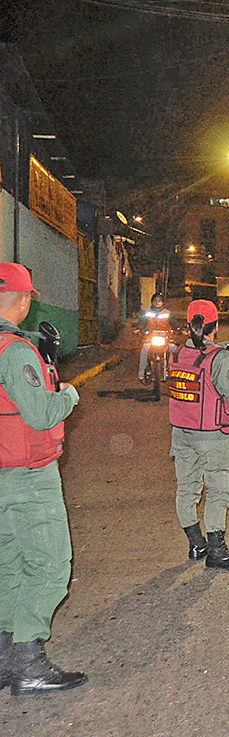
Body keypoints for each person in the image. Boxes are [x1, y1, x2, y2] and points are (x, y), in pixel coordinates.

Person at [0, 262, 87, 695]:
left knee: (10, 565)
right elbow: (40, 413)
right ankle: (29, 662)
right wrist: (66, 391)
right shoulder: (14, 351)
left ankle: (5, 659)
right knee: (51, 567)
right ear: (24, 299)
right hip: (27, 478)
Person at [166, 300, 229, 569]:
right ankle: (217, 552)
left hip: (182, 434)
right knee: (218, 491)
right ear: (216, 326)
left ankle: (196, 543)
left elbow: (207, 350)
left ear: (190, 326)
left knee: (187, 489)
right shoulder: (219, 359)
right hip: (211, 436)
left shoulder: (177, 354)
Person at [138, 292, 173, 383]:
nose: (157, 302)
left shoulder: (168, 313)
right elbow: (142, 323)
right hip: (150, 338)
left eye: (159, 301)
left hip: (165, 338)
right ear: (152, 302)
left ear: (163, 302)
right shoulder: (147, 313)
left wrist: (179, 329)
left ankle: (174, 372)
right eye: (155, 301)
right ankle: (141, 374)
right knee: (145, 349)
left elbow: (174, 323)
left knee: (174, 349)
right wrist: (138, 329)